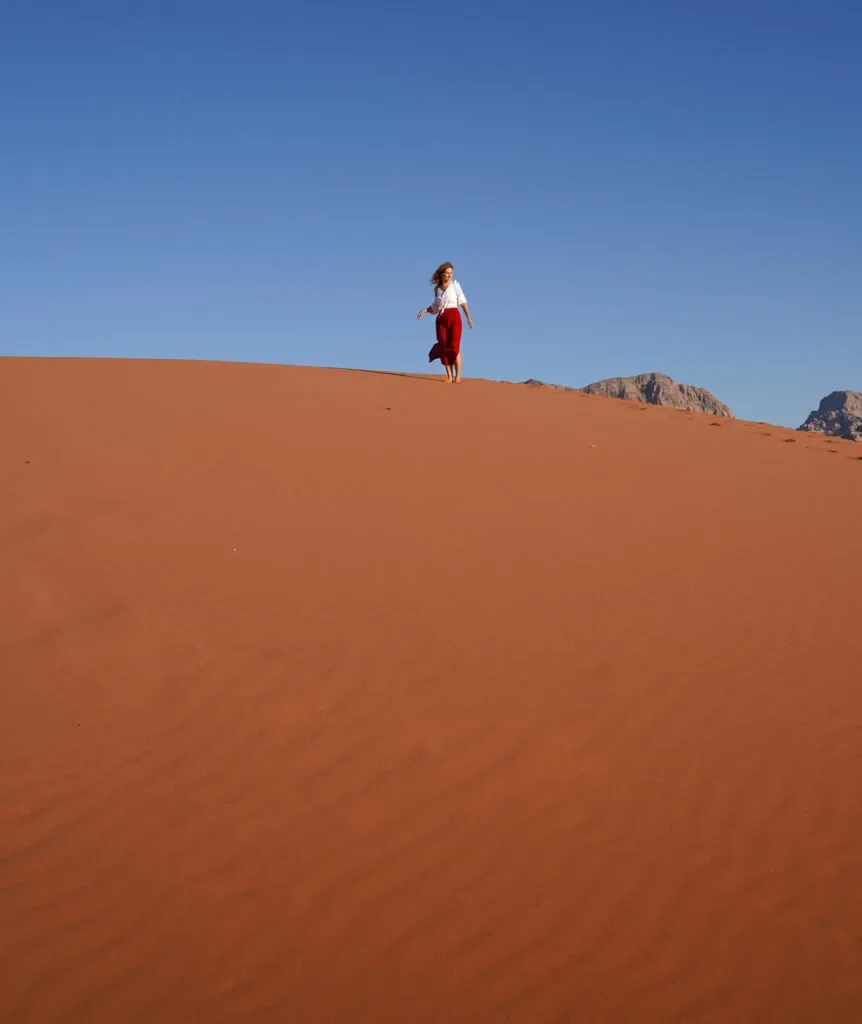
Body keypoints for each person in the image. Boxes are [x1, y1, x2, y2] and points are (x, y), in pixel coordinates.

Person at [416, 262, 473, 383]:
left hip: (454, 316)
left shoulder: (455, 286)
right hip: (441, 319)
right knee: (444, 346)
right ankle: (449, 376)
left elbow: (462, 302)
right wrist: (425, 310)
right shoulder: (438, 290)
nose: (450, 275)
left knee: (454, 346)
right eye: (447, 273)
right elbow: (435, 307)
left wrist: (468, 317)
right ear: (442, 274)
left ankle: (458, 376)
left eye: (451, 273)